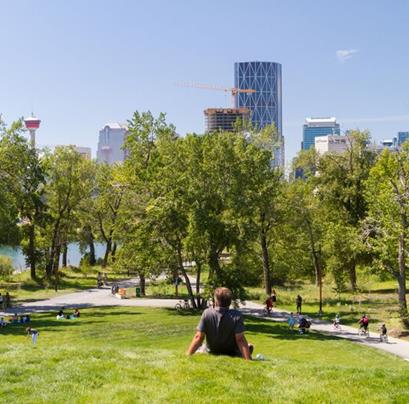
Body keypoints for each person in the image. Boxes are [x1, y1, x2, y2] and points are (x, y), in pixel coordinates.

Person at [186, 287, 253, 360]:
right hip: (231, 352)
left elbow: (198, 337)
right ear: (230, 301)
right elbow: (240, 339)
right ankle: (247, 349)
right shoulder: (236, 315)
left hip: (212, 351)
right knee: (248, 346)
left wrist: (187, 355)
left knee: (202, 346)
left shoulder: (207, 313)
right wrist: (248, 359)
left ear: (216, 301)